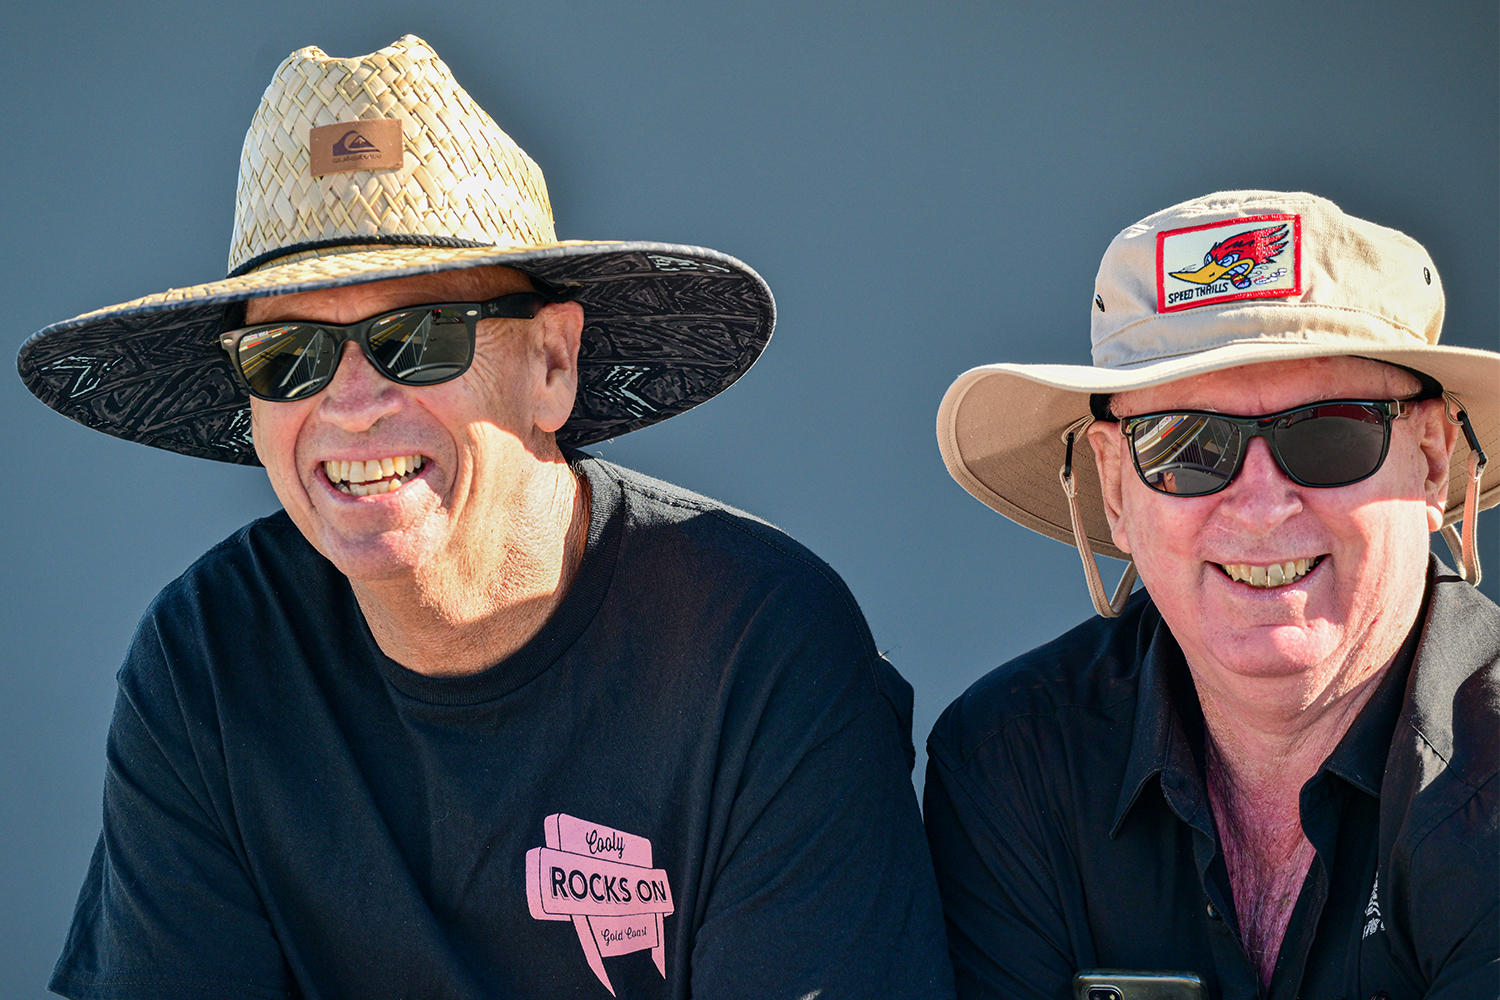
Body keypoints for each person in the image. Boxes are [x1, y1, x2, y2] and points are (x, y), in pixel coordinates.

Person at [19, 36, 954, 1000]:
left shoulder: (757, 643)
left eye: (418, 337)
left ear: (552, 365)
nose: (351, 403)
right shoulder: (208, 657)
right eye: (286, 355)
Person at [925, 190, 1497, 999]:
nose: (1261, 507)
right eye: (1186, 444)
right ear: (1114, 489)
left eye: (1331, 432)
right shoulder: (1015, 760)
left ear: (1434, 461)